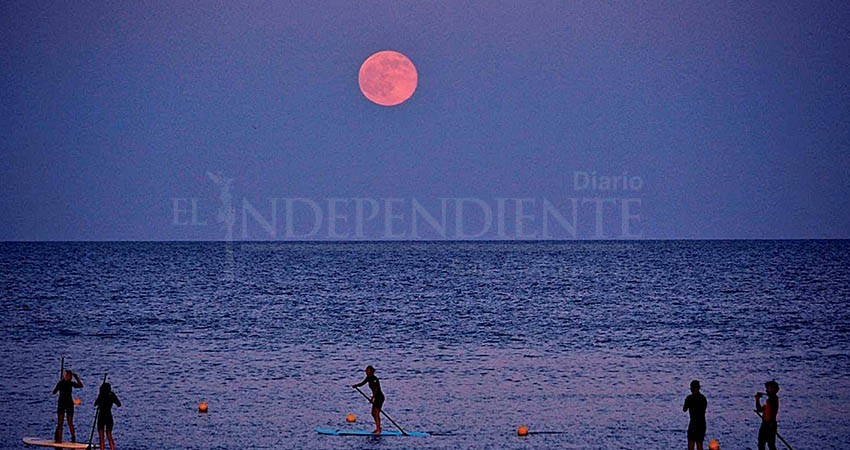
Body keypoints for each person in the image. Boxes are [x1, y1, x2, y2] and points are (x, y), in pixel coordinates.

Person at [352, 365, 385, 434]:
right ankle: (378, 427)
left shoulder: (374, 379)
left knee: (376, 413)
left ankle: (378, 429)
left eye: (367, 370)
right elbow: (362, 383)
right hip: (376, 397)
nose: (366, 371)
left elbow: (376, 389)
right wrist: (356, 385)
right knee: (373, 413)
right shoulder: (368, 378)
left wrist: (373, 397)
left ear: (371, 371)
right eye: (366, 370)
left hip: (379, 397)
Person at [52, 369, 83, 443]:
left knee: (70, 422)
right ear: (65, 376)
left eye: (71, 376)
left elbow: (81, 386)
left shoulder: (69, 383)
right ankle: (59, 439)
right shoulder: (62, 383)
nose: (70, 377)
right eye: (69, 376)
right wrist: (58, 386)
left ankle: (73, 438)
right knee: (60, 423)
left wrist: (77, 377)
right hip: (62, 404)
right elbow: (54, 392)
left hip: (69, 404)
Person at [94, 381, 122, 450]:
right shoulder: (111, 395)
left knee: (101, 438)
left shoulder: (101, 395)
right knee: (109, 435)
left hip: (101, 417)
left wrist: (99, 396)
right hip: (109, 416)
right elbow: (119, 404)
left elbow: (95, 404)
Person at [683, 380, 707, 450]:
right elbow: (704, 409)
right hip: (701, 423)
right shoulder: (703, 398)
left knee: (691, 443)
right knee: (699, 443)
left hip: (693, 423)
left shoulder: (689, 398)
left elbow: (684, 409)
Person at [755, 380, 780, 450]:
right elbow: (759, 409)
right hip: (765, 424)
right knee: (761, 444)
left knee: (770, 444)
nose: (766, 390)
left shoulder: (774, 399)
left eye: (768, 389)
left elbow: (772, 411)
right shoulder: (769, 401)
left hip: (770, 424)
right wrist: (757, 400)